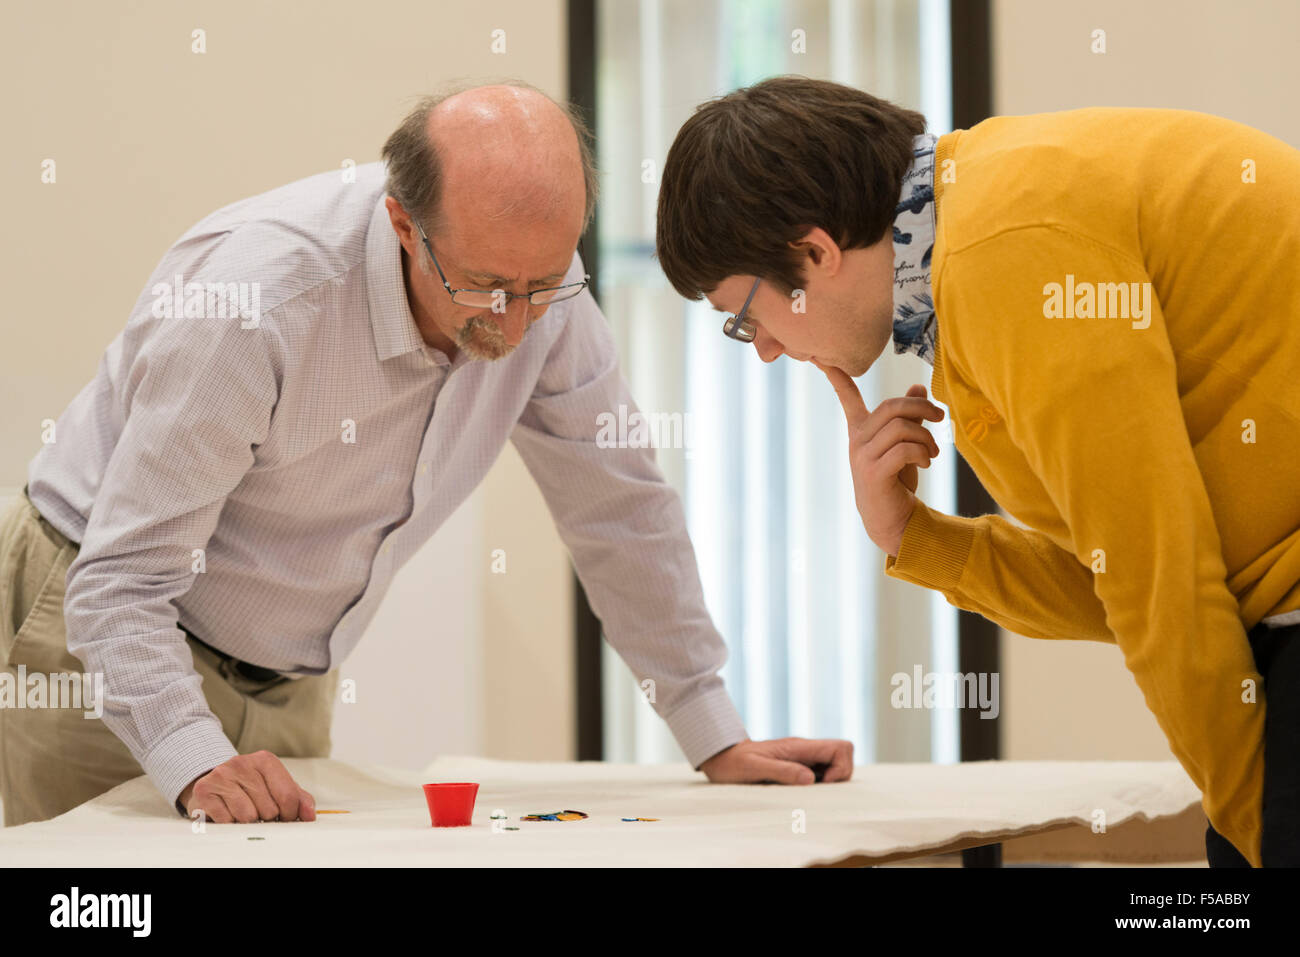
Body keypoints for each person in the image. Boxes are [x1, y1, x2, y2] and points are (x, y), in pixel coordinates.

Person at [0, 80, 853, 828]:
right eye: (485, 286)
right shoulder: (256, 302)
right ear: (404, 225)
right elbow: (118, 582)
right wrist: (191, 754)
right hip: (101, 645)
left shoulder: (546, 299)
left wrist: (713, 729)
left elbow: (620, 509)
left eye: (542, 284)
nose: (517, 323)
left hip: (289, 676)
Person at [654, 75, 1300, 867]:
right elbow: (1120, 579)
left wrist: (1258, 845)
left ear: (814, 252)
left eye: (745, 314)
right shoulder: (972, 242)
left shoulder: (1005, 254)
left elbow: (1157, 584)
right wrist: (911, 536)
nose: (761, 346)